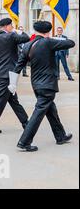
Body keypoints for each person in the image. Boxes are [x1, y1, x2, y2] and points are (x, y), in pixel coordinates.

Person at [9, 21, 75, 151]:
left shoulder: (28, 45)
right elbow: (71, 43)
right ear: (47, 32)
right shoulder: (48, 42)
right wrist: (52, 38)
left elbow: (18, 66)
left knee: (51, 110)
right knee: (38, 113)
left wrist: (12, 83)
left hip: (36, 84)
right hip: (48, 84)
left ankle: (60, 136)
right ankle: (24, 142)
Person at [0, 18, 29, 134]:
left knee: (13, 100)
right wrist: (18, 31)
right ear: (7, 26)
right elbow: (26, 38)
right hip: (9, 74)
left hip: (0, 73)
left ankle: (26, 123)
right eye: (11, 26)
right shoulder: (11, 36)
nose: (12, 27)